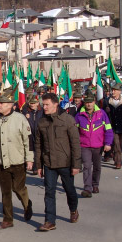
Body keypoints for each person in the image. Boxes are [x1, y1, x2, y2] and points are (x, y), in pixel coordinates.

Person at [0, 86, 34, 230]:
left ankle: (27, 204)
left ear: (10, 105)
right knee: (6, 192)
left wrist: (29, 159)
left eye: (1, 103)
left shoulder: (20, 119)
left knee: (18, 188)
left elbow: (28, 141)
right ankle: (8, 219)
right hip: (2, 162)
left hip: (18, 161)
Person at [35, 93, 81, 231]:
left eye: (47, 104)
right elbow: (38, 145)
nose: (45, 107)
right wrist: (39, 165)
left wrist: (76, 165)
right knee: (49, 192)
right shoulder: (41, 122)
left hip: (66, 163)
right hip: (49, 163)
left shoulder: (67, 120)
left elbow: (75, 143)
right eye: (43, 105)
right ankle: (50, 221)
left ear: (56, 104)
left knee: (70, 190)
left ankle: (73, 210)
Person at [75, 90, 113, 197]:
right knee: (87, 166)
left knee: (97, 167)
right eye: (86, 102)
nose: (88, 104)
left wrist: (108, 143)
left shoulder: (102, 113)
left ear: (94, 102)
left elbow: (108, 129)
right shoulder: (79, 115)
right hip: (84, 145)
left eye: (90, 102)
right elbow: (74, 131)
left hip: (98, 145)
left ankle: (95, 184)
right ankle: (87, 188)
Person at [105, 82, 122, 169]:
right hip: (112, 127)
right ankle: (118, 162)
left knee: (119, 144)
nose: (113, 92)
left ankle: (114, 155)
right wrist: (107, 110)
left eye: (115, 90)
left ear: (119, 91)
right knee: (117, 145)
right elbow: (103, 114)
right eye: (112, 90)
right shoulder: (108, 101)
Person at [21, 94, 43, 174]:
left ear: (37, 103)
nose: (32, 105)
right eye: (31, 103)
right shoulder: (26, 111)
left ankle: (38, 166)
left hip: (39, 133)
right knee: (31, 150)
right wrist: (24, 116)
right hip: (29, 134)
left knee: (38, 151)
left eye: (34, 103)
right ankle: (34, 167)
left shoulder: (41, 111)